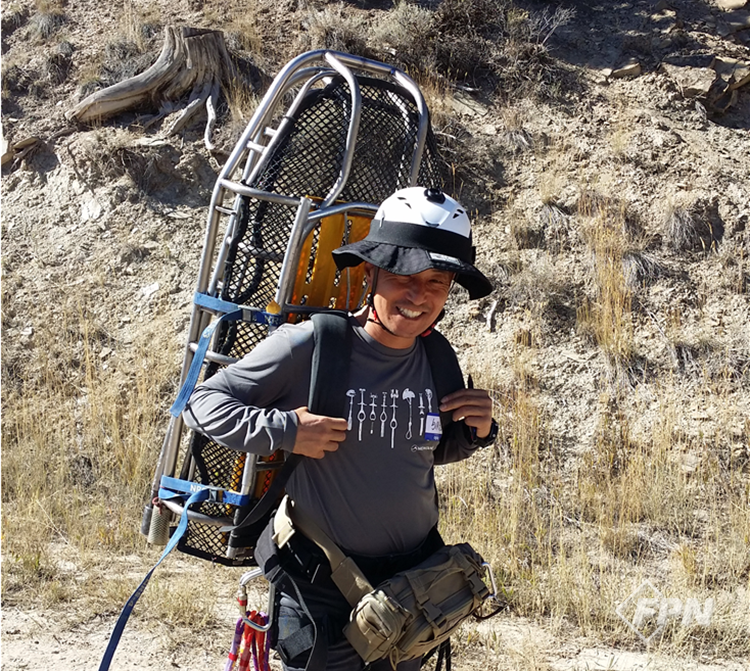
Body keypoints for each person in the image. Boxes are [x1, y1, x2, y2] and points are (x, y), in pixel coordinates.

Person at [183, 186, 498, 671]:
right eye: (403, 276)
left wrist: (477, 432)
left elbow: (421, 451)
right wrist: (287, 430)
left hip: (412, 588)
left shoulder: (438, 357)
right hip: (322, 586)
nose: (418, 296)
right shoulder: (314, 346)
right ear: (371, 272)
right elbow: (201, 403)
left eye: (436, 281)